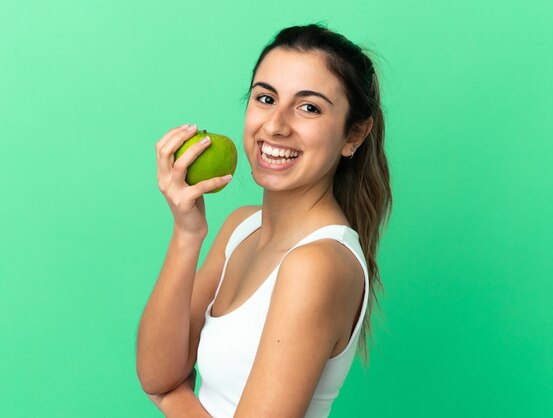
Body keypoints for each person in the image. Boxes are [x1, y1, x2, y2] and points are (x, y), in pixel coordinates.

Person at [136, 23, 392, 417]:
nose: (275, 125)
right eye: (266, 98)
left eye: (309, 107)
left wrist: (172, 397)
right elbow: (155, 371)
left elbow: (163, 385)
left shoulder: (317, 264)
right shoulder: (241, 228)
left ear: (353, 136)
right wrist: (188, 232)